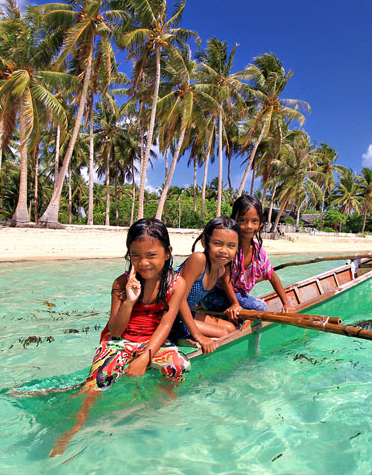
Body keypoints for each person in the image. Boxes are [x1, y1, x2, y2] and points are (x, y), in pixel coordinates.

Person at [50, 218, 189, 456]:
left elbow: (166, 324)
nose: (143, 262)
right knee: (99, 382)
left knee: (180, 367)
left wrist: (145, 358)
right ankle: (74, 427)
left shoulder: (176, 283)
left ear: (167, 253)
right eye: (136, 255)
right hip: (120, 340)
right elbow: (115, 330)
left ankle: (158, 402)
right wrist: (129, 300)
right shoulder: (121, 283)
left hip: (152, 341)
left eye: (151, 255)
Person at [202, 195, 293, 319]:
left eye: (254, 221)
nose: (249, 226)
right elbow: (224, 278)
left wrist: (286, 303)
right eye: (243, 221)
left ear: (260, 223)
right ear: (234, 220)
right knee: (260, 306)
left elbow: (272, 276)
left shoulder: (259, 253)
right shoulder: (230, 247)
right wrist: (235, 303)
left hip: (234, 295)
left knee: (250, 304)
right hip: (212, 295)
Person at [171, 217, 239, 354]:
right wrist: (198, 336)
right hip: (171, 317)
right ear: (204, 241)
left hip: (187, 313)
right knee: (225, 332)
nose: (224, 251)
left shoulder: (221, 270)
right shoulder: (198, 260)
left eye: (231, 246)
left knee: (231, 328)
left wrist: (235, 304)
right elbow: (178, 299)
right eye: (218, 243)